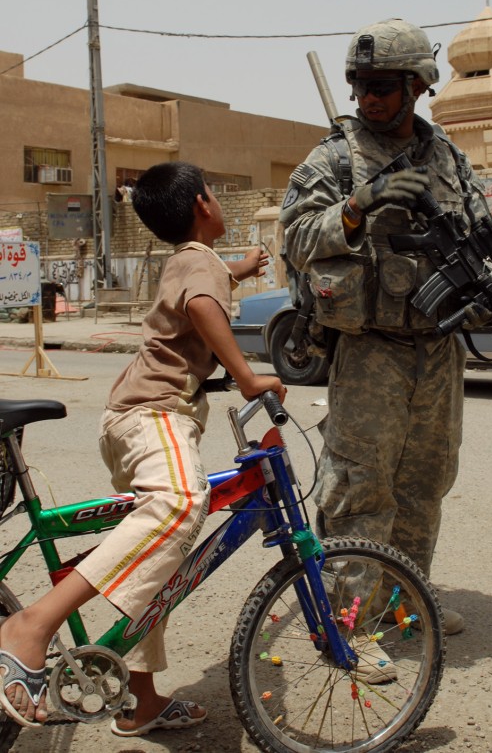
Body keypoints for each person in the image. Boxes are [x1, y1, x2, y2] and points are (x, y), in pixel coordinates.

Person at [0, 161, 285, 736]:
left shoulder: (190, 260)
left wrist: (242, 268)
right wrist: (249, 377)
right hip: (152, 416)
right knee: (180, 503)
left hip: (137, 420)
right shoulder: (199, 266)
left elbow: (204, 286)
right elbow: (203, 305)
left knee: (160, 555)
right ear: (205, 204)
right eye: (216, 191)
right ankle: (32, 625)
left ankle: (142, 699)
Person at [280, 18, 491, 640]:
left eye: (384, 84)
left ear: (418, 85)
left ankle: (403, 599)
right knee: (358, 488)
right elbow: (294, 236)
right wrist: (356, 205)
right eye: (362, 84)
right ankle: (349, 624)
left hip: (438, 346)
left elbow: (481, 231)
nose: (369, 97)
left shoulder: (449, 157)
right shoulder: (335, 158)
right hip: (371, 351)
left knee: (425, 481)